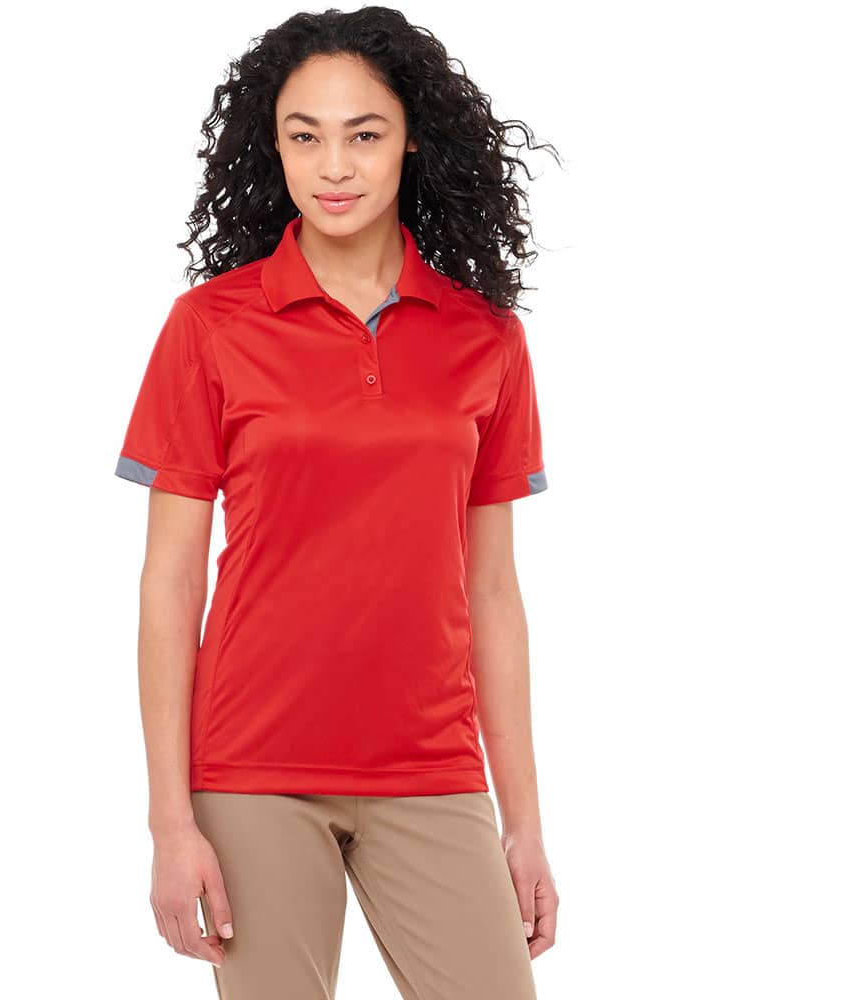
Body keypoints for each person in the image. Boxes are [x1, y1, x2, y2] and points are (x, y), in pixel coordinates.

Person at [114, 7, 561, 998]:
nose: (335, 166)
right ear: (273, 148)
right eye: (305, 135)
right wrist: (169, 822)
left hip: (432, 764)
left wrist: (524, 821)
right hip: (252, 767)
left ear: (412, 141)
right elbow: (171, 580)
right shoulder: (209, 326)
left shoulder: (485, 338)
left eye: (364, 134)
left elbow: (493, 590)